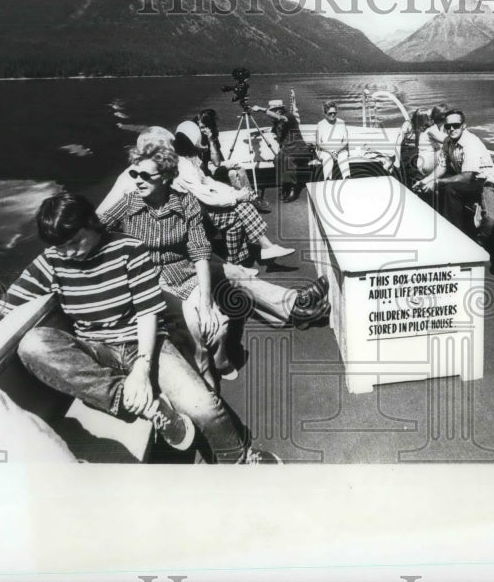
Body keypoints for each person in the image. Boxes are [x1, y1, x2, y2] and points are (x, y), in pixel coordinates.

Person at [0, 192, 280, 463]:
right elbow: (7, 303)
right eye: (61, 247)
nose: (69, 253)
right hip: (91, 345)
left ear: (92, 225)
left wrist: (142, 369)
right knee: (32, 343)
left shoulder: (129, 249)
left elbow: (148, 313)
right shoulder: (54, 258)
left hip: (145, 343)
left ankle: (241, 458)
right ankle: (150, 409)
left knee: (206, 409)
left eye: (75, 242)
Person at [99, 141, 329, 385]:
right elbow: (95, 226)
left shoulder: (183, 201)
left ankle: (295, 305)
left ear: (165, 176)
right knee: (225, 288)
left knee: (231, 275)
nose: (137, 179)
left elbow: (198, 253)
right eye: (134, 174)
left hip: (184, 269)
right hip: (152, 281)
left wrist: (206, 302)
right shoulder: (129, 200)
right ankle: (291, 309)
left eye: (144, 175)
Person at [104, 124, 292, 265]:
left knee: (234, 214)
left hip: (178, 224)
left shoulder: (168, 169)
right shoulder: (135, 178)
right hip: (150, 247)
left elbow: (199, 189)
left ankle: (240, 263)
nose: (173, 153)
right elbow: (103, 217)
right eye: (170, 148)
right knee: (236, 213)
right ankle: (244, 261)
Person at [412, 109, 494, 236]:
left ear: (463, 126)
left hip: (483, 183)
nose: (451, 129)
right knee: (428, 186)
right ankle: (436, 223)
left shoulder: (470, 143)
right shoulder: (448, 142)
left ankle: (454, 233)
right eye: (448, 126)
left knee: (451, 189)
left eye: (455, 125)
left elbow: (467, 177)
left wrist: (437, 182)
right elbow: (442, 167)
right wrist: (425, 181)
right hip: (467, 178)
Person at [194, 109, 271, 213]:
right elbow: (216, 163)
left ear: (210, 125)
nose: (202, 129)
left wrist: (212, 138)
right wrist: (211, 140)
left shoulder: (211, 134)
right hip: (205, 168)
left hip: (213, 165)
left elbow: (218, 156)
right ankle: (252, 196)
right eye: (200, 127)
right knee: (236, 164)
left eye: (204, 127)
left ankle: (244, 201)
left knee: (232, 173)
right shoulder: (200, 138)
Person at [253, 99, 312, 202]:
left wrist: (262, 109)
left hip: (299, 149)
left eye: (275, 110)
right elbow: (273, 128)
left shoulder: (289, 116)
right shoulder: (276, 123)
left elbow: (281, 118)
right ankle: (286, 185)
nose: (274, 113)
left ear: (280, 110)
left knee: (287, 160)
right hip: (287, 149)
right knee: (277, 159)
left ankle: (293, 189)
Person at [393, 108, 435, 189]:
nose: (429, 120)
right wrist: (397, 161)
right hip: (407, 150)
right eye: (427, 119)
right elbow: (398, 143)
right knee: (411, 166)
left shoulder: (425, 125)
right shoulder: (408, 125)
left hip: (417, 148)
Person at [314, 100, 351, 180]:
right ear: (325, 114)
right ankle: (328, 180)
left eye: (334, 113)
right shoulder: (320, 124)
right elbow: (318, 143)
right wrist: (331, 152)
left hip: (339, 149)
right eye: (330, 113)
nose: (333, 114)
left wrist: (336, 151)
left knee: (343, 156)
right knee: (327, 157)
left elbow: (345, 141)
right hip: (325, 150)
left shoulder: (341, 123)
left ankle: (347, 178)